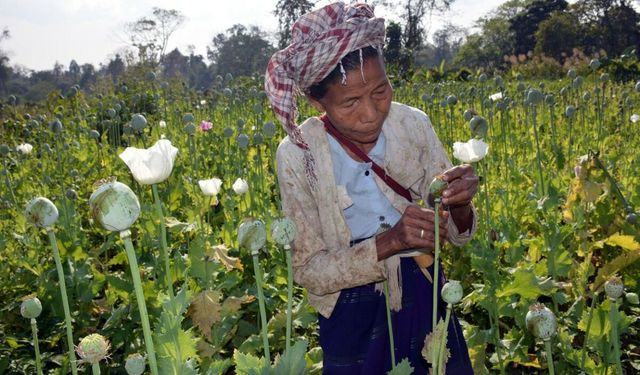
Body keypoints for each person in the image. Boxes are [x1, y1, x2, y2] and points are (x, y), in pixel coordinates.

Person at [265, 2, 478, 374]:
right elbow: (309, 269)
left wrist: (459, 204)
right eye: (350, 102)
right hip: (351, 311)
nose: (370, 112)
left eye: (381, 91)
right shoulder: (299, 155)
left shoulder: (413, 125)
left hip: (425, 288)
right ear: (317, 100)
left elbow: (458, 235)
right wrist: (389, 243)